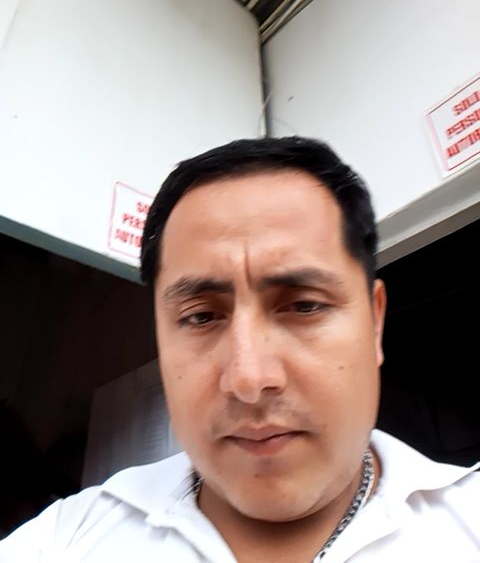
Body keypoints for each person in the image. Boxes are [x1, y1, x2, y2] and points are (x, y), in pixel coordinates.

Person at [1, 136, 479, 562]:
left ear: (374, 323)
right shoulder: (63, 542)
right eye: (201, 316)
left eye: (304, 305)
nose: (250, 379)